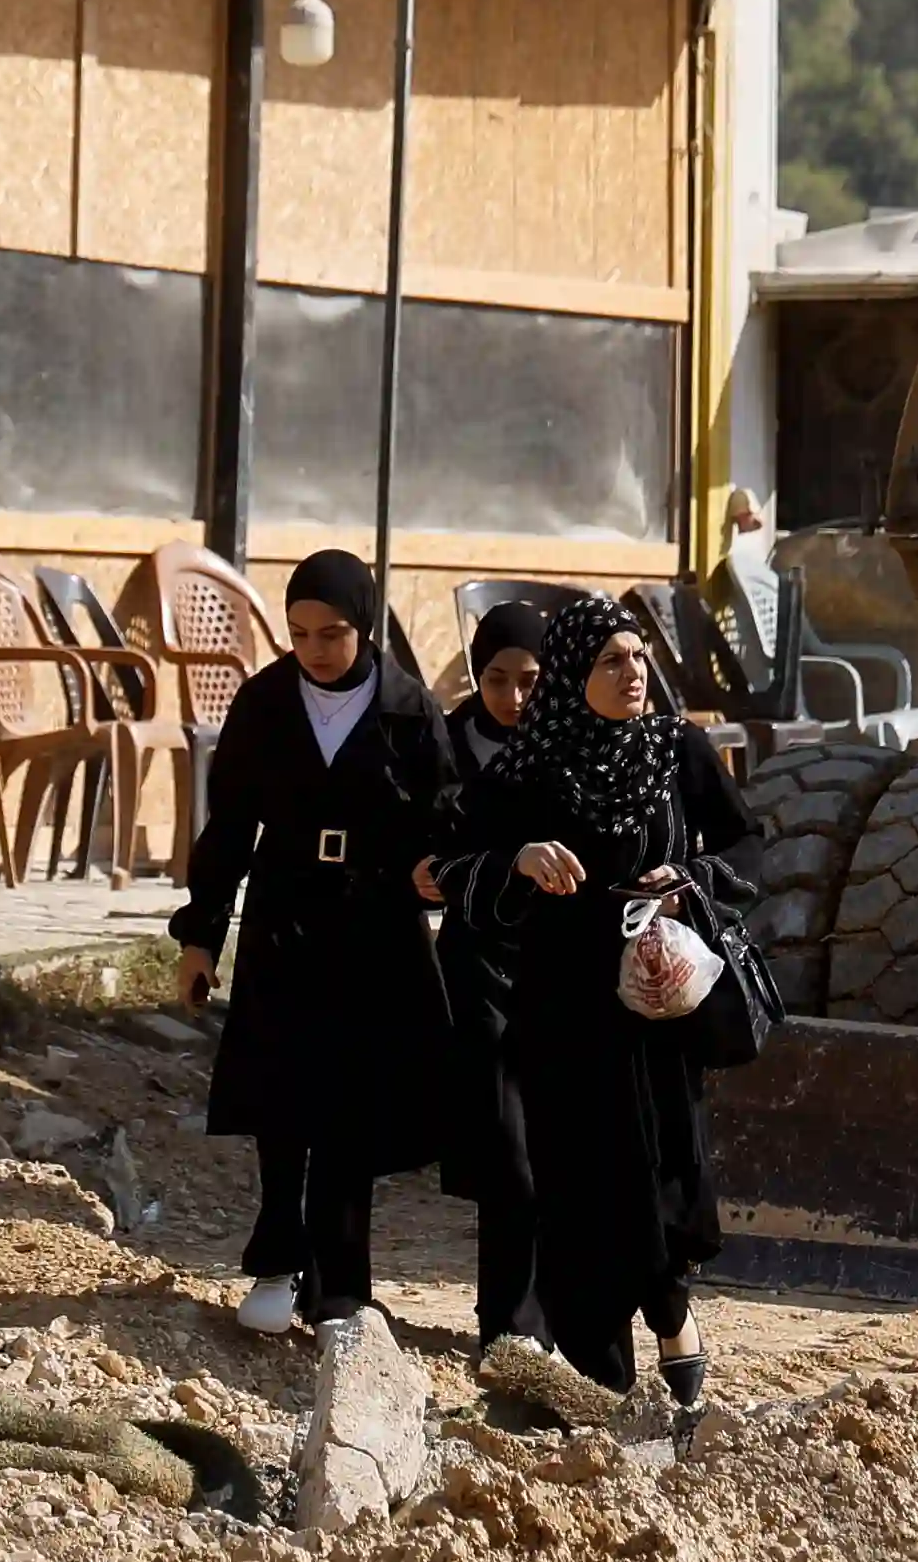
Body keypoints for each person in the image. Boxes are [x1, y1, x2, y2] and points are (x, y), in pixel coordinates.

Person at [455, 594, 754, 1413]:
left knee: (656, 1174)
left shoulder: (675, 749)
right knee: (578, 1186)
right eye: (610, 660)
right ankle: (602, 1382)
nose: (633, 672)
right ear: (573, 676)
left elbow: (747, 848)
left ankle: (668, 1308)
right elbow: (455, 871)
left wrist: (686, 883)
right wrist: (519, 857)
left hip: (656, 1010)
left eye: (638, 657)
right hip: (560, 1008)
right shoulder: (526, 768)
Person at [168, 549, 454, 1342]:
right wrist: (201, 937)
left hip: (374, 919)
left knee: (351, 1105)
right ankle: (277, 1259)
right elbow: (227, 829)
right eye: (299, 633)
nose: (315, 650)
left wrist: (437, 871)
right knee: (282, 1093)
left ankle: (340, 1287)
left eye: (332, 633)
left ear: (363, 626)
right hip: (286, 913)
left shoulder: (408, 710)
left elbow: (447, 816)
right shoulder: (263, 705)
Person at [418, 598, 557, 1346]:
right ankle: (504, 1323)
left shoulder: (574, 745)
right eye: (496, 679)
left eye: (530, 681)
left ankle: (540, 1322)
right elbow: (420, 832)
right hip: (477, 965)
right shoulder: (447, 744)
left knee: (552, 1150)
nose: (512, 698)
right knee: (508, 1155)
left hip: (560, 968)